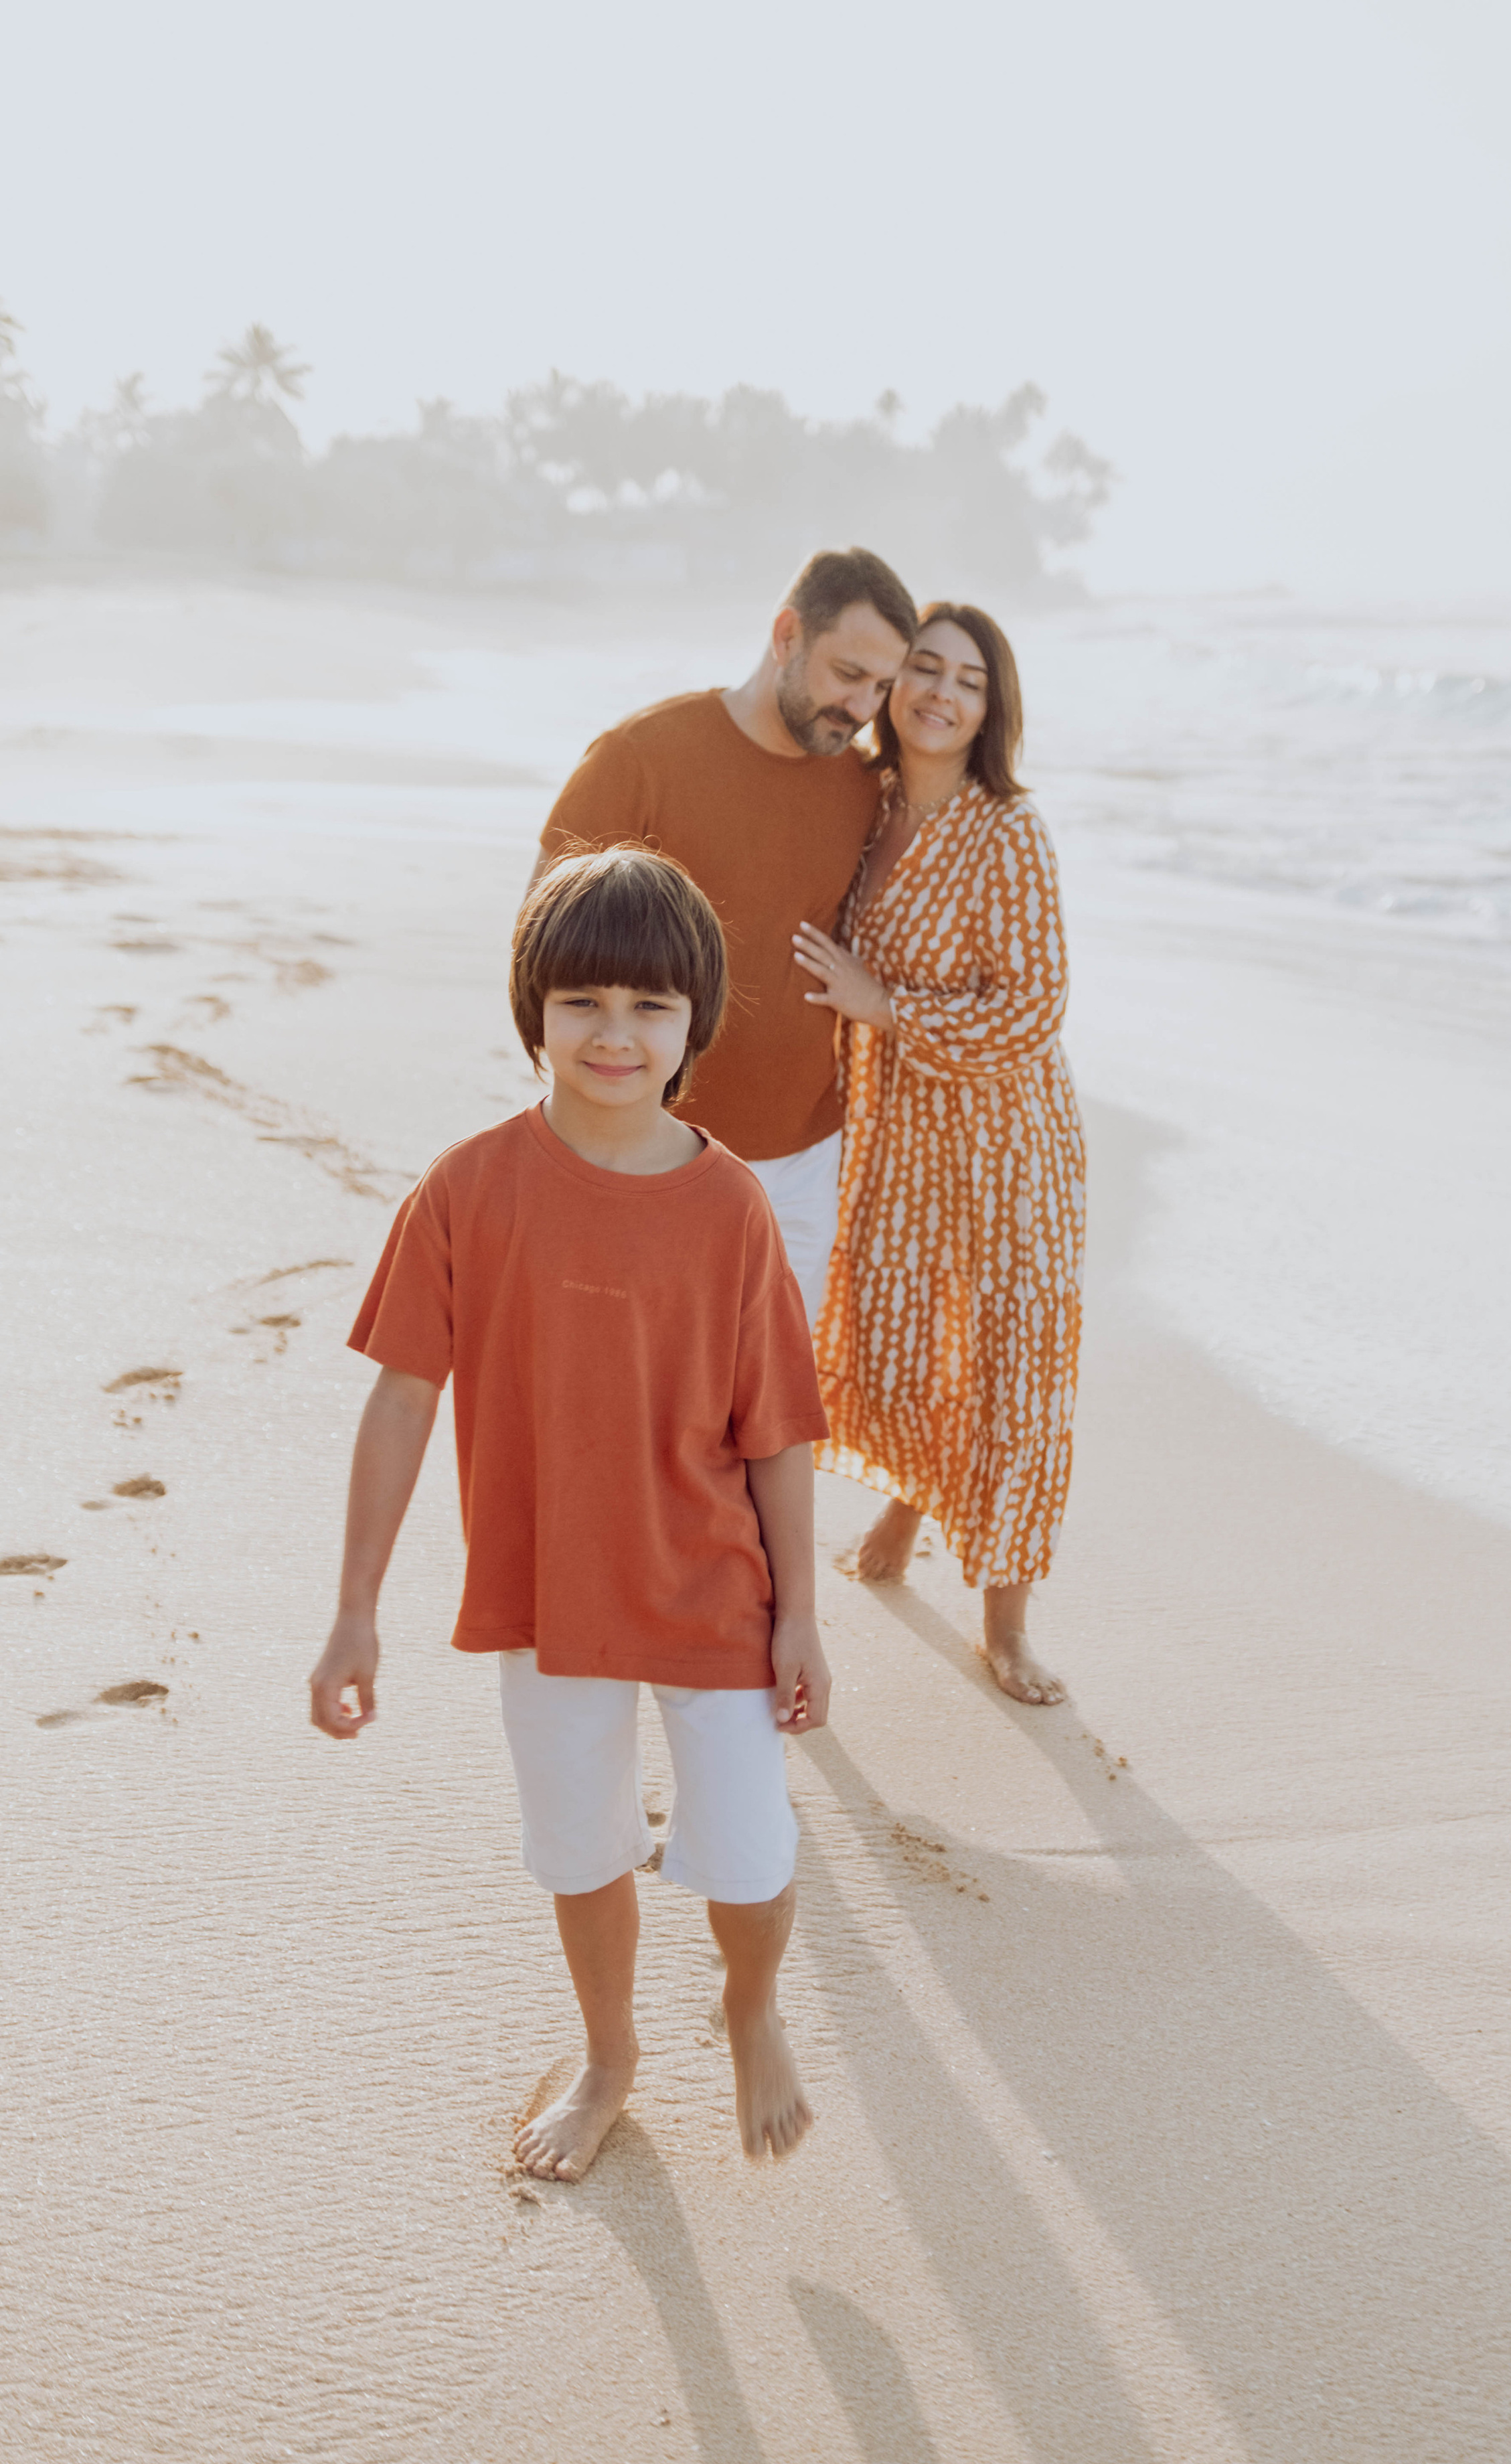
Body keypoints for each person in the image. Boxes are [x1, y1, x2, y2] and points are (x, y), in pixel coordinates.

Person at [309, 848, 833, 2178]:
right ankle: (609, 2057)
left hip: (714, 1588)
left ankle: (750, 2003)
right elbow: (401, 1401)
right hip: (545, 1596)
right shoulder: (467, 1186)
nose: (614, 1034)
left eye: (650, 1006)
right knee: (581, 1846)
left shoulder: (731, 1207)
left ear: (694, 1024)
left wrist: (801, 1619)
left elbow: (776, 1434)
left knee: (748, 1852)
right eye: (582, 1002)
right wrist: (355, 1612)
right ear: (532, 1010)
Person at [793, 605, 1085, 1706]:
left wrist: (885, 1006)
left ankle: (1006, 1626)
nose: (943, 694)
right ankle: (906, 1509)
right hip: (902, 1134)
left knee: (1009, 1366)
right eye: (926, 668)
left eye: (970, 680)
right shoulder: (862, 806)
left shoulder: (1006, 830)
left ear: (990, 709)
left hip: (1006, 1141)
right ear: (894, 684)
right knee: (910, 1339)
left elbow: (1035, 1009)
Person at [533, 546, 917, 1326]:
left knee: (772, 1394)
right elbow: (539, 952)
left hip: (805, 1159)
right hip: (653, 1151)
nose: (861, 707)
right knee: (641, 1381)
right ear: (786, 635)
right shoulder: (640, 757)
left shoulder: (861, 788)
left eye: (881, 687)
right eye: (848, 674)